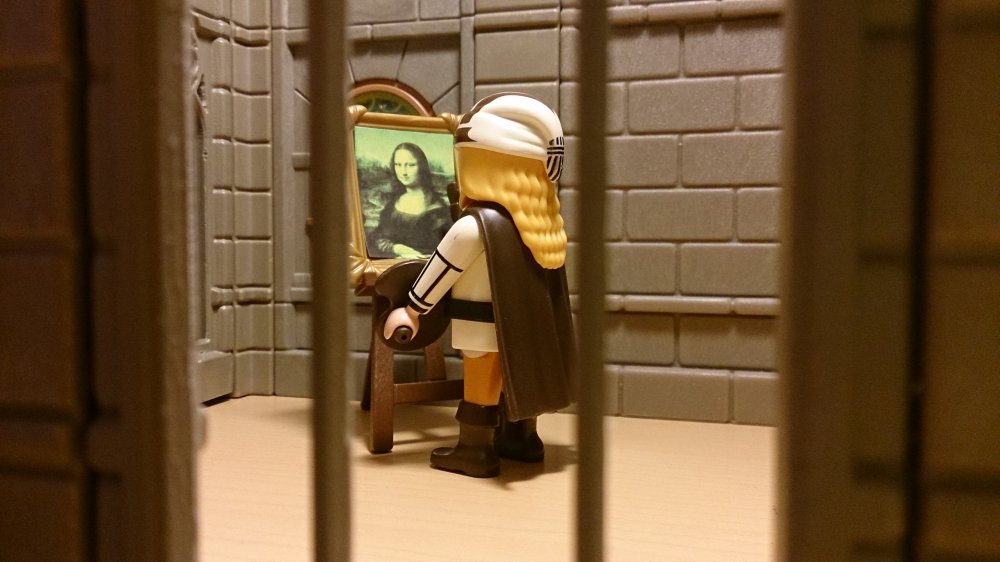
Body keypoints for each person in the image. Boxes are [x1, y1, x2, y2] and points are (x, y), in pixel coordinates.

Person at [383, 93, 574, 478]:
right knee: (518, 377)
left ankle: (474, 449)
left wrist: (413, 310)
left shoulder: (473, 226)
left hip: (481, 325)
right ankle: (522, 438)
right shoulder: (540, 225)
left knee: (481, 385)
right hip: (525, 328)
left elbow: (442, 269)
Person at [370, 142, 452, 259]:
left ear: (422, 167)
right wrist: (397, 248)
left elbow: (445, 251)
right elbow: (377, 238)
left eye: (410, 165)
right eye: (398, 164)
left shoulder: (438, 210)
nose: (403, 172)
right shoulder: (392, 203)